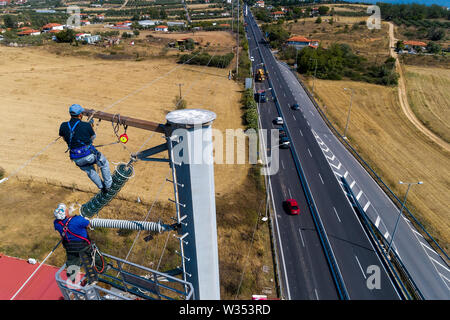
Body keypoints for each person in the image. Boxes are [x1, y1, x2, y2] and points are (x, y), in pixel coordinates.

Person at [59, 104, 112, 193]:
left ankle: (102, 187)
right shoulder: (86, 125)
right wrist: (90, 127)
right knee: (104, 163)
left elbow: (64, 137)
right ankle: (108, 186)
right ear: (80, 115)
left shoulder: (63, 125)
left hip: (76, 158)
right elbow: (92, 137)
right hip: (89, 155)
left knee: (90, 171)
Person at [53, 203, 104, 283]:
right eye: (67, 210)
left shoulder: (56, 223)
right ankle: (101, 269)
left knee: (72, 261)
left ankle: (73, 278)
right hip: (84, 245)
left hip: (70, 248)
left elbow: (64, 224)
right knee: (94, 255)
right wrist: (79, 217)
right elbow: (88, 224)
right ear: (66, 213)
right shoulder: (77, 220)